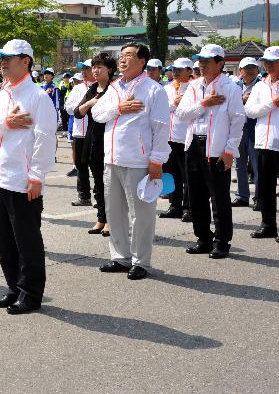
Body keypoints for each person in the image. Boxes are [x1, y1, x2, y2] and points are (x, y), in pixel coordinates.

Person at [0, 39, 56, 314]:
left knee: (27, 241)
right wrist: (6, 124)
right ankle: (14, 288)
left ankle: (31, 293)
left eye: (8, 58)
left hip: (23, 181)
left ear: (26, 61)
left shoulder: (38, 97)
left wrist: (37, 177)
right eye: (1, 58)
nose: (2, 62)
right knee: (4, 241)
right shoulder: (2, 94)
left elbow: (45, 140)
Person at [91, 43, 170, 281]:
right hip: (112, 159)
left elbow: (162, 128)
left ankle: (140, 261)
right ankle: (120, 257)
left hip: (139, 160)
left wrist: (157, 159)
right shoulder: (114, 87)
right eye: (121, 56)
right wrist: (118, 108)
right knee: (115, 212)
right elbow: (97, 114)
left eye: (128, 56)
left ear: (142, 60)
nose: (122, 60)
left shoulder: (153, 90)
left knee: (141, 214)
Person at [175, 45, 245, 258]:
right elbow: (181, 114)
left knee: (219, 196)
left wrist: (229, 150)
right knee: (196, 194)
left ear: (220, 62)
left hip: (216, 147)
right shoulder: (194, 86)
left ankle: (222, 241)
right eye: (200, 61)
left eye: (207, 61)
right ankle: (203, 237)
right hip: (194, 144)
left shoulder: (230, 87)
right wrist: (203, 104)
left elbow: (237, 121)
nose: (202, 65)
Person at [244, 45, 279, 243]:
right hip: (263, 143)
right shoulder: (260, 85)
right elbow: (250, 111)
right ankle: (268, 225)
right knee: (264, 187)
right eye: (266, 62)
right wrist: (273, 103)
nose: (268, 66)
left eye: (273, 62)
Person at [74, 54, 117, 235]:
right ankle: (101, 218)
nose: (95, 70)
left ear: (109, 69)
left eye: (100, 66)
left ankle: (112, 221)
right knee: (98, 182)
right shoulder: (92, 89)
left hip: (109, 138)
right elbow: (78, 112)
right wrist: (92, 101)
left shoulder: (114, 88)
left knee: (110, 184)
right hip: (92, 139)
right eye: (94, 67)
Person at [159, 58, 194, 221]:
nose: (176, 72)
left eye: (180, 69)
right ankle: (174, 206)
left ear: (189, 70)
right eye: (174, 69)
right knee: (170, 173)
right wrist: (174, 103)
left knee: (187, 175)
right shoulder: (166, 88)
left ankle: (189, 208)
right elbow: (160, 109)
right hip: (168, 137)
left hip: (186, 138)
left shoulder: (195, 88)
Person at [233, 57, 261, 209]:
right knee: (239, 164)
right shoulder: (235, 86)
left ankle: (259, 198)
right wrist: (241, 99)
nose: (250, 70)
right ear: (240, 71)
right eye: (246, 68)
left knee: (257, 165)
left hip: (255, 128)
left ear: (257, 70)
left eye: (253, 68)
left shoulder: (262, 86)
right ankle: (242, 196)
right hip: (238, 129)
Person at [66, 61, 94, 201]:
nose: (83, 71)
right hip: (79, 131)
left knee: (97, 166)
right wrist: (81, 107)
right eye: (82, 69)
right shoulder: (77, 88)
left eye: (86, 69)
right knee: (80, 165)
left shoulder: (102, 88)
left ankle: (100, 198)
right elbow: (68, 107)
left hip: (95, 133)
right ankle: (84, 196)